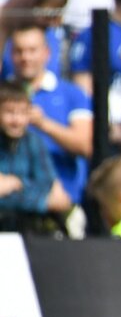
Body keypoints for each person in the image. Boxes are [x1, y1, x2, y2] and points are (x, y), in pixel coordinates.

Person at [8, 24, 92, 206]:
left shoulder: (72, 94)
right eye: (19, 51)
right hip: (10, 198)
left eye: (32, 50)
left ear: (47, 53)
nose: (25, 57)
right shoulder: (3, 93)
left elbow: (85, 145)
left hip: (63, 198)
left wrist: (43, 123)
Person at [0, 79, 71, 231]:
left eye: (22, 113)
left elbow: (46, 184)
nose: (16, 120)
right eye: (9, 112)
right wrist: (42, 201)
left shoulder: (34, 142)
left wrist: (16, 182)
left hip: (30, 226)